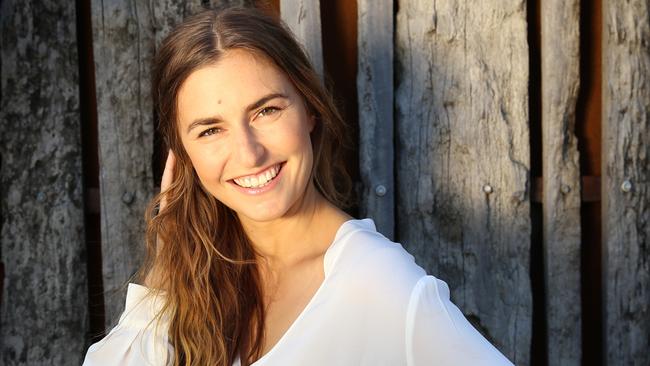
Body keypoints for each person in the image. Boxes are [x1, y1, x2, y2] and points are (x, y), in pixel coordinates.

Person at [83, 6, 514, 366]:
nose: (249, 154)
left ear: (309, 109)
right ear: (184, 153)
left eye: (266, 111)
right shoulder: (196, 274)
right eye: (211, 131)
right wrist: (161, 284)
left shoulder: (380, 284)